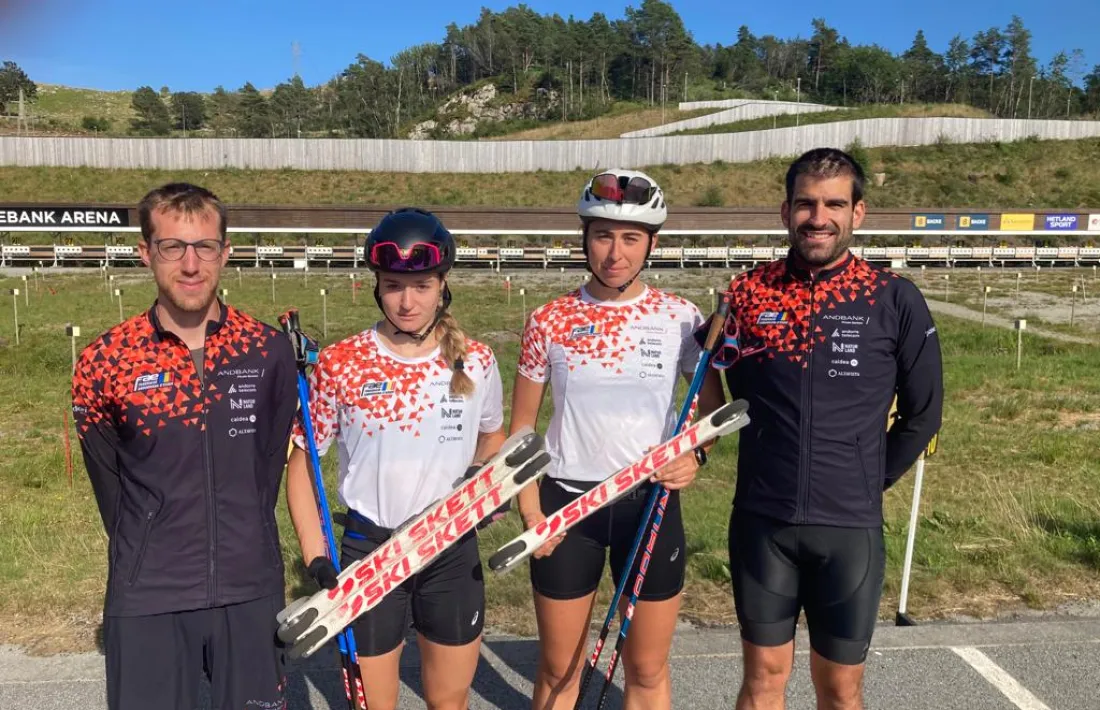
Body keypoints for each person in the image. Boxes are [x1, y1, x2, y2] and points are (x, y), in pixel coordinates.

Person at [716, 148, 944, 710]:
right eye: (806, 204)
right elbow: (709, 381)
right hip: (763, 521)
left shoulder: (893, 297)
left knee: (841, 690)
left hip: (849, 529)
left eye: (834, 204)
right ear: (785, 211)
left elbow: (922, 415)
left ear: (857, 213)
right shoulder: (745, 294)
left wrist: (867, 479)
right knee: (762, 682)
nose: (818, 218)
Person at [71, 182, 298, 710]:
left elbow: (269, 468)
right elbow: (110, 485)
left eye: (205, 247)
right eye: (173, 247)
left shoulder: (267, 350)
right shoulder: (105, 360)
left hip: (249, 588)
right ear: (145, 252)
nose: (191, 265)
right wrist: (153, 543)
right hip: (148, 593)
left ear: (225, 252)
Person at [511, 169, 726, 710]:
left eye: (631, 237)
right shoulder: (548, 320)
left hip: (649, 502)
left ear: (652, 243)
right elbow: (522, 432)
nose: (615, 252)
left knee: (646, 669)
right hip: (566, 506)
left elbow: (711, 412)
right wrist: (531, 511)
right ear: (585, 238)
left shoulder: (681, 317)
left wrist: (696, 455)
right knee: (560, 669)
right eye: (603, 235)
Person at [287, 207, 507, 710]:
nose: (407, 302)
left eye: (422, 286)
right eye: (393, 286)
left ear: (443, 284)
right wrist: (315, 554)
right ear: (376, 286)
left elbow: (492, 437)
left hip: (449, 547)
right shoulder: (341, 362)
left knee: (449, 701)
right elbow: (302, 464)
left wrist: (482, 483)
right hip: (371, 550)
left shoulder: (476, 360)